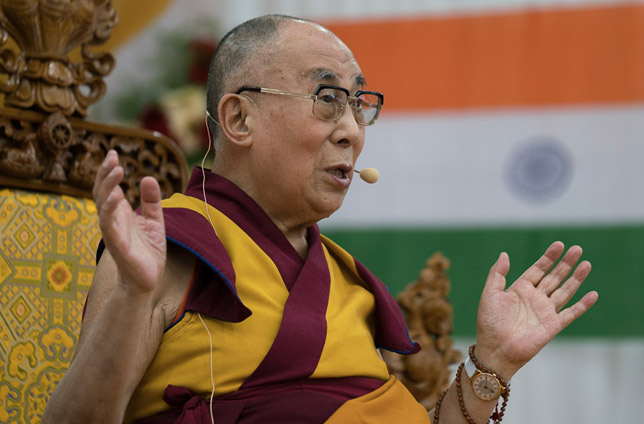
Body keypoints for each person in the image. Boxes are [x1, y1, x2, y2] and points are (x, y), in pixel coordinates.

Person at [43, 14, 598, 424]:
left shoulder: (346, 281)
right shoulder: (171, 248)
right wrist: (132, 298)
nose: (352, 130)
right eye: (328, 98)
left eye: (360, 105)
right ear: (239, 117)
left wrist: (492, 363)